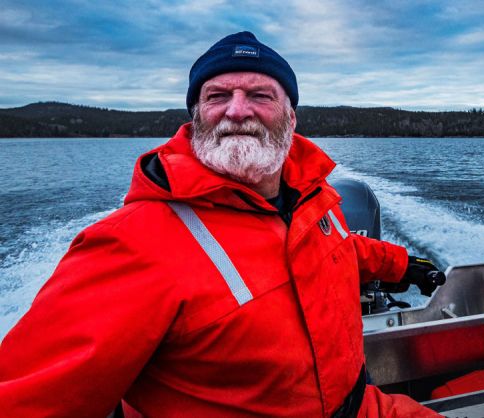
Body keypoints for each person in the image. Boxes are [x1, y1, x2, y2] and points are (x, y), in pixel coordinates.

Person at [0, 31, 444, 417]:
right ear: (195, 118)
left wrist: (406, 266)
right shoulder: (132, 243)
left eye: (259, 95)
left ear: (291, 117)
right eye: (216, 96)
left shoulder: (311, 196)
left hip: (362, 406)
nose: (237, 111)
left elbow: (342, 247)